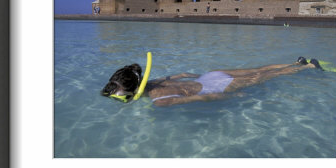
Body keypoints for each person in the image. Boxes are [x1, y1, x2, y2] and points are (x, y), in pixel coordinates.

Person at [101, 57, 323, 107]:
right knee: (258, 70)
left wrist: (232, 96)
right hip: (208, 76)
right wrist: (193, 75)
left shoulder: (160, 102)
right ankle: (296, 61)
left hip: (215, 86)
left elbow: (205, 97)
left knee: (264, 76)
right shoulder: (154, 82)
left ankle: (308, 67)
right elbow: (181, 75)